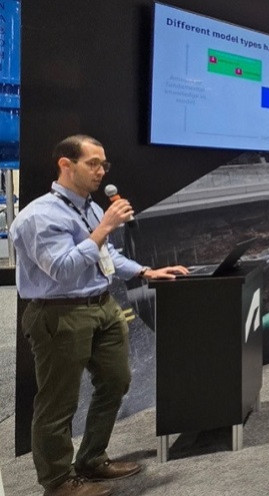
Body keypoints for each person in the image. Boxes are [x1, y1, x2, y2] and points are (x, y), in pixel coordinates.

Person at [10, 135, 189, 496]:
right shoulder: (39, 217)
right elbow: (62, 269)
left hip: (103, 306)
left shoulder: (90, 208)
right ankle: (58, 482)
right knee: (58, 401)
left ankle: (92, 458)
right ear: (65, 165)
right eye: (93, 163)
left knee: (116, 380)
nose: (101, 171)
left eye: (104, 164)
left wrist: (144, 271)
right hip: (59, 313)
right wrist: (104, 227)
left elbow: (105, 256)